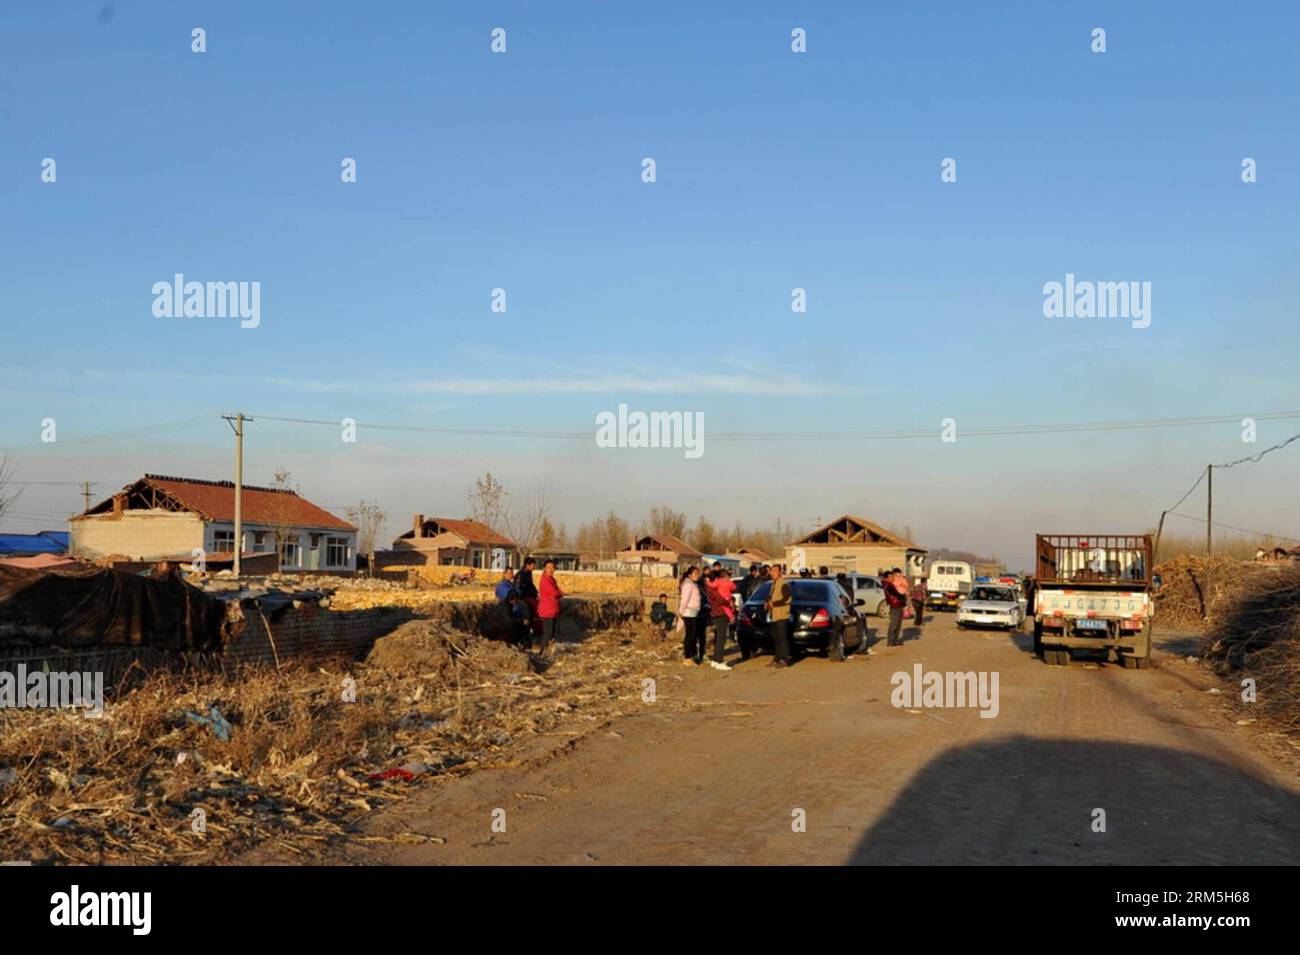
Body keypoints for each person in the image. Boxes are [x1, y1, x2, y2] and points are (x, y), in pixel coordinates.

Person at [706, 565, 736, 670]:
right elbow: (723, 601)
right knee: (721, 638)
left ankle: (715, 660)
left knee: (719, 637)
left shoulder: (712, 587)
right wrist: (729, 602)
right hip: (720, 613)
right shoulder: (716, 590)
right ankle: (719, 661)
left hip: (717, 613)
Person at [765, 563, 792, 668]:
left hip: (781, 615)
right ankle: (777, 658)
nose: (773, 573)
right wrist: (767, 602)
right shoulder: (773, 583)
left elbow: (787, 599)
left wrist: (774, 604)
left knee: (782, 638)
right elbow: (772, 596)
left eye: (775, 571)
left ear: (780, 572)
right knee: (776, 638)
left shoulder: (784, 584)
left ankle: (785, 660)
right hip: (773, 615)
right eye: (772, 571)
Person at [535, 559, 564, 655]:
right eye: (549, 567)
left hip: (553, 609)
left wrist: (558, 593)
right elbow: (555, 592)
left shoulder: (552, 579)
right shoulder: (544, 580)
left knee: (551, 633)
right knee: (548, 633)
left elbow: (557, 591)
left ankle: (547, 651)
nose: (551, 569)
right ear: (544, 569)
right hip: (547, 611)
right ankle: (541, 652)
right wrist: (559, 593)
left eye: (553, 567)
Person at [678, 566, 704, 665]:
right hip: (688, 612)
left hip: (693, 612)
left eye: (698, 574)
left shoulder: (692, 584)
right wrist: (681, 611)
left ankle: (691, 655)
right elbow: (685, 599)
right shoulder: (688, 585)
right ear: (689, 575)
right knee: (689, 636)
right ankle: (687, 657)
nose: (697, 576)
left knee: (692, 635)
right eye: (695, 574)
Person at [883, 567, 909, 646]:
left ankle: (895, 640)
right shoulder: (888, 586)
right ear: (887, 578)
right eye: (891, 577)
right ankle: (890, 641)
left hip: (898, 604)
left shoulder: (891, 584)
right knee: (894, 624)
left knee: (898, 624)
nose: (893, 578)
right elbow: (896, 595)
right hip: (895, 606)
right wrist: (903, 597)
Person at [516, 557, 540, 637]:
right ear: (527, 565)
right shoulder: (520, 575)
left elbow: (531, 585)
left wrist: (536, 593)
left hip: (529, 596)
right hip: (522, 598)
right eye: (533, 565)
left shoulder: (529, 573)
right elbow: (518, 589)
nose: (534, 567)